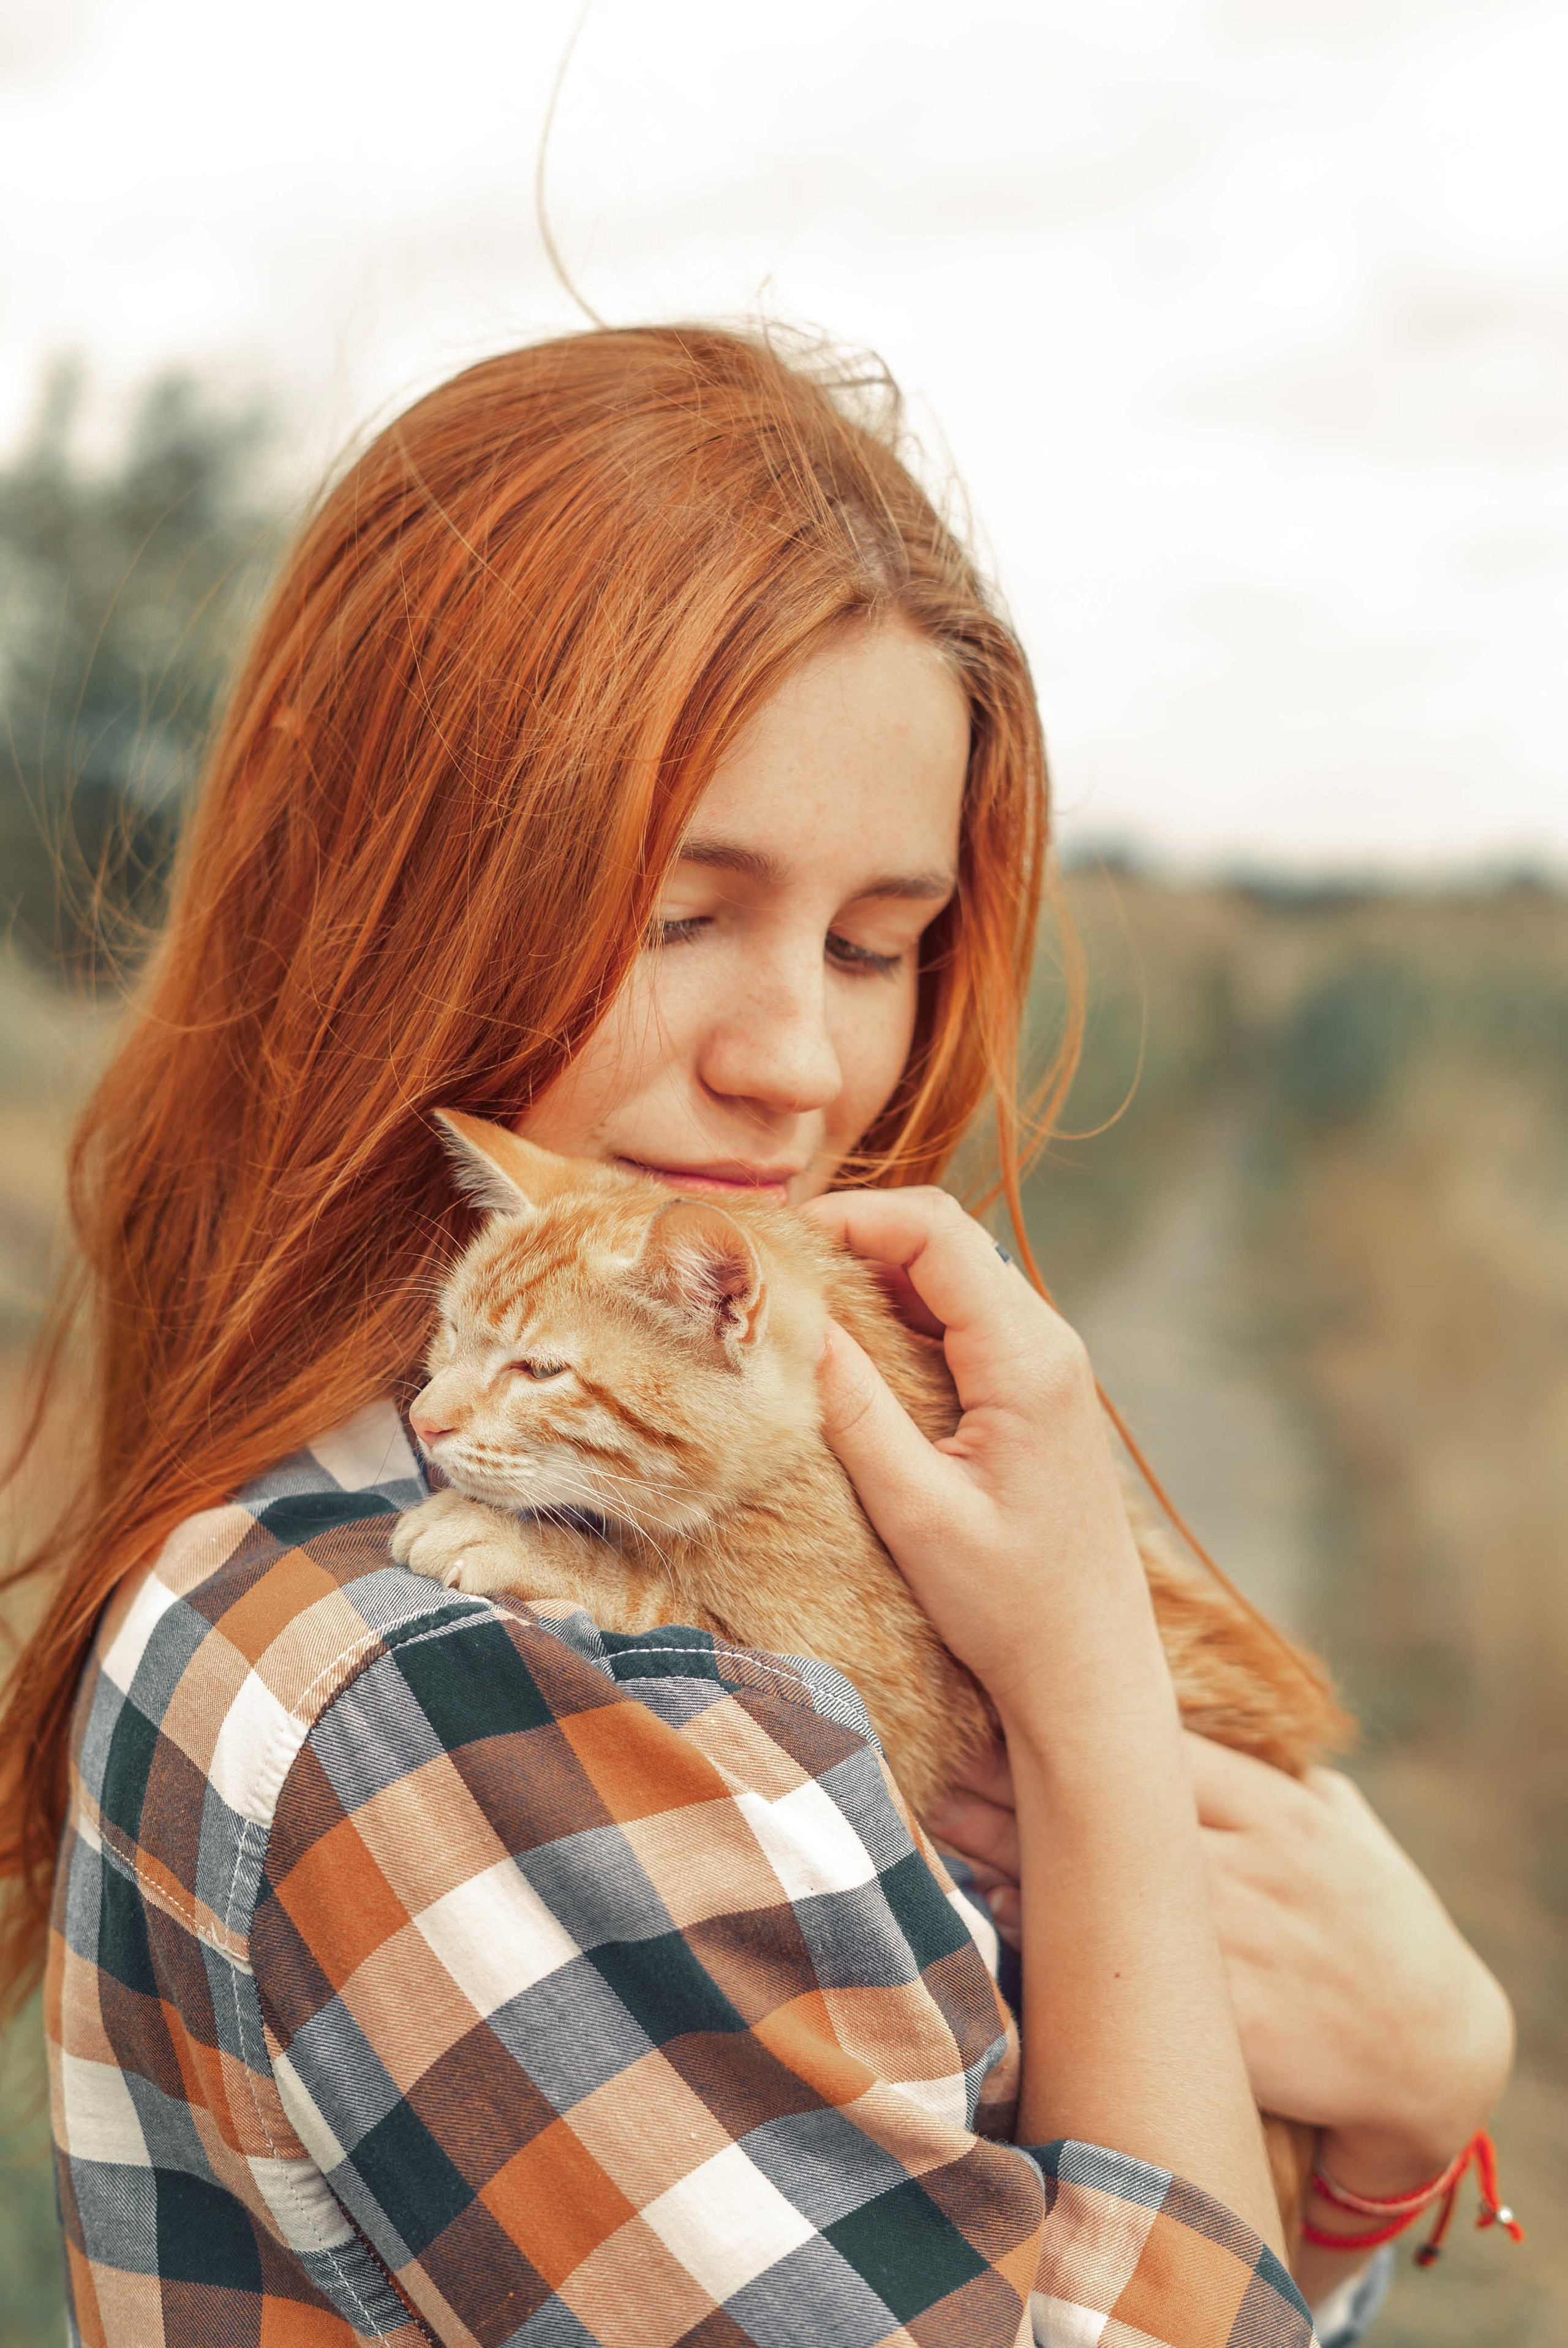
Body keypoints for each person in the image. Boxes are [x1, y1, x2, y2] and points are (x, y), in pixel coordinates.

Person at [0, 326, 1512, 2347]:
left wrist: (1388, 2131)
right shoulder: (451, 1697)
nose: (799, 1061)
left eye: (875, 945)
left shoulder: (554, 1497)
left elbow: (1110, 2256)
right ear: (393, 894)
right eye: (677, 913)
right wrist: (1096, 1726)